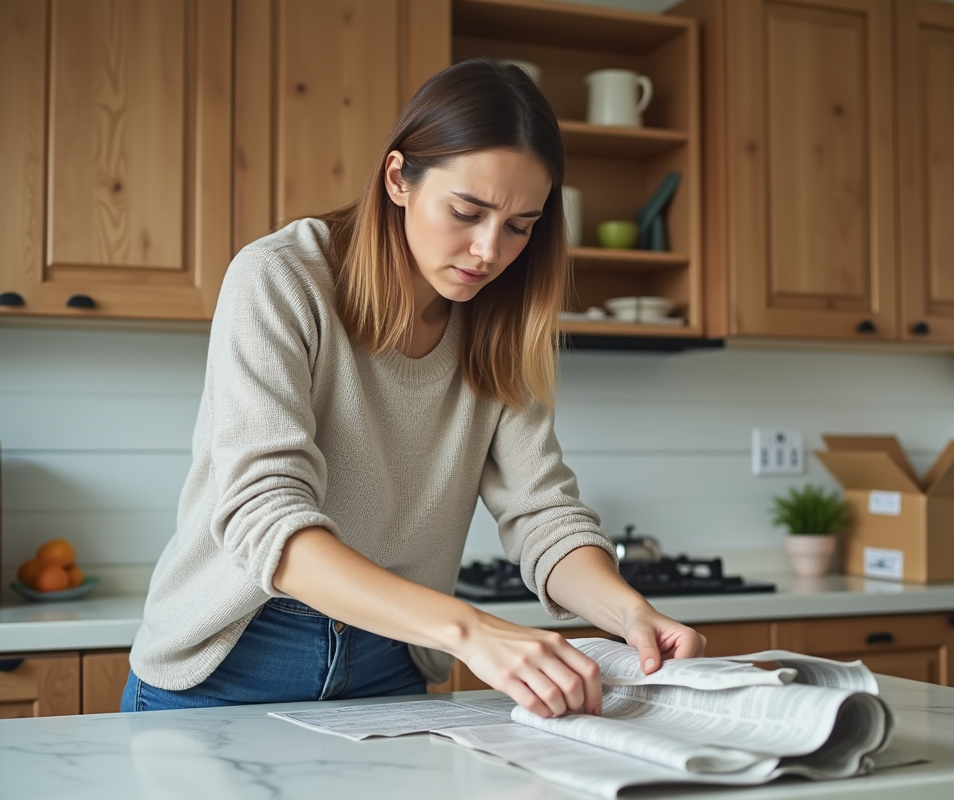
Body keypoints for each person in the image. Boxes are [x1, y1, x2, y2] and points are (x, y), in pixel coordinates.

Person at [121, 58, 705, 717]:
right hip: (229, 663)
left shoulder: (500, 324)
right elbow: (265, 517)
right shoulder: (281, 279)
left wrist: (628, 612)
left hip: (388, 663)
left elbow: (542, 515)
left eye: (519, 226)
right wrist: (472, 631)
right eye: (467, 211)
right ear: (399, 179)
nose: (490, 250)